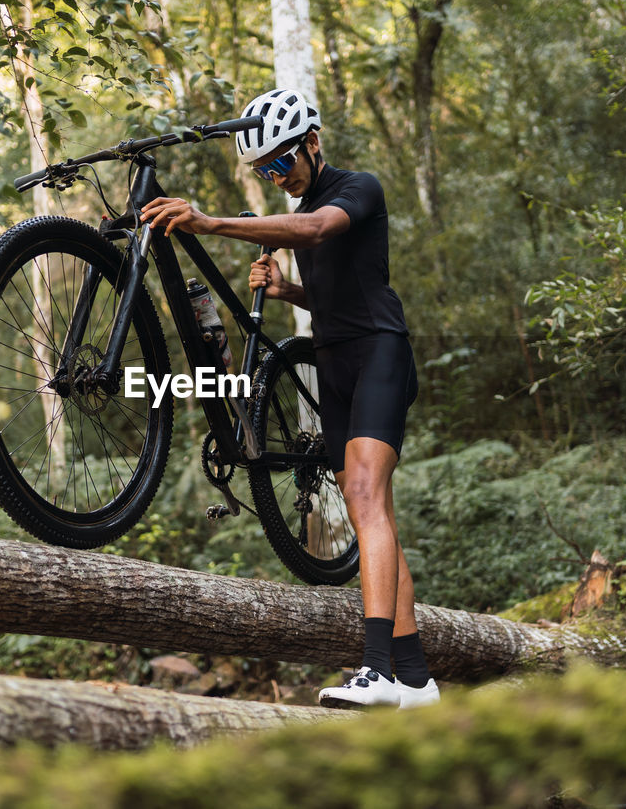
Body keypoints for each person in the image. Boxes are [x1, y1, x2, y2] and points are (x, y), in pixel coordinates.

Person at [139, 88, 438, 710]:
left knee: (363, 495)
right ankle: (414, 679)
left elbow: (319, 228)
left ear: (313, 142)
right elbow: (330, 293)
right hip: (330, 356)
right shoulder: (296, 204)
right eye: (263, 171)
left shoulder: (358, 189)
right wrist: (286, 294)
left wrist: (210, 222)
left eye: (281, 163)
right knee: (369, 510)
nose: (276, 178)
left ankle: (377, 670)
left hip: (379, 350)